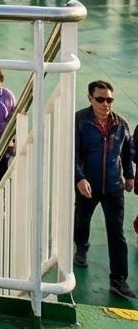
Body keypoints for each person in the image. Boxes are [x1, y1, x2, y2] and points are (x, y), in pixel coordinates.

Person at [74, 80, 136, 299]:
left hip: (113, 186)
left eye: (109, 99)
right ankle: (81, 247)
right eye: (100, 99)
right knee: (82, 220)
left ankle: (118, 280)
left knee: (117, 234)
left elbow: (127, 151)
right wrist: (79, 178)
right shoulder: (80, 121)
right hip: (87, 186)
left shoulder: (121, 124)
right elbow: (72, 153)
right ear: (90, 98)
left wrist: (129, 175)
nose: (105, 103)